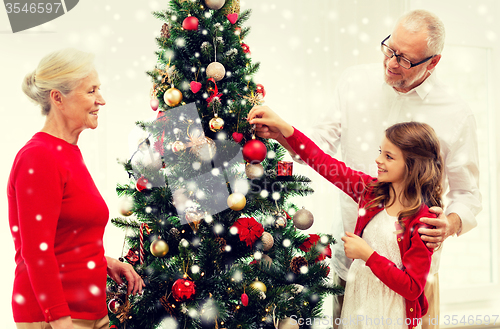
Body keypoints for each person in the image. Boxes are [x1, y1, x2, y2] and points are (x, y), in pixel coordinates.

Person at [254, 9, 481, 328]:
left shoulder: (456, 114)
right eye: (390, 48)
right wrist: (283, 130)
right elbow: (322, 157)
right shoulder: (355, 87)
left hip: (408, 290)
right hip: (354, 272)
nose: (391, 62)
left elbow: (468, 194)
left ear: (433, 62)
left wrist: (452, 222)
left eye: (405, 59)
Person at [248, 106, 442, 328]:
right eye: (380, 151)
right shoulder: (370, 191)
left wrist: (368, 255)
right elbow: (321, 161)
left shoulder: (425, 221)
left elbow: (412, 287)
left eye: (388, 156)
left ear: (413, 166)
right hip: (358, 299)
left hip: (390, 313)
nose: (378, 160)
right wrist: (285, 128)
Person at [8, 48, 145, 329]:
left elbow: (65, 237)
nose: (101, 100)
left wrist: (103, 262)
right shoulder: (39, 156)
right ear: (58, 98)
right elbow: (36, 251)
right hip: (57, 318)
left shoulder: (67, 153)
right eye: (91, 91)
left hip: (88, 312)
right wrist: (60, 322)